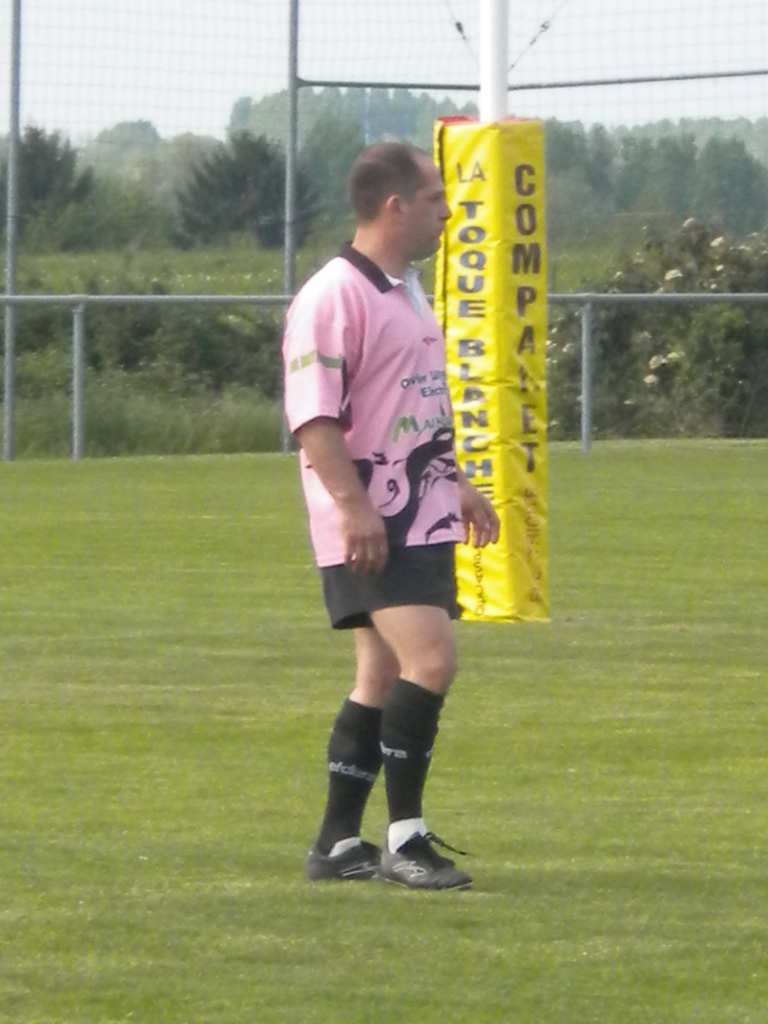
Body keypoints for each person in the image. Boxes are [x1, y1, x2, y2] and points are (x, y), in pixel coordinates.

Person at [282, 141, 499, 891]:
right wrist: (354, 508)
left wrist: (455, 481)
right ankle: (406, 840)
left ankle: (337, 844)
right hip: (376, 518)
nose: (447, 211)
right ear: (395, 206)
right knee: (431, 661)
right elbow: (314, 418)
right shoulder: (333, 295)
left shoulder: (405, 290)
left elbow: (407, 407)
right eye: (436, 198)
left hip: (416, 510)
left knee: (379, 674)